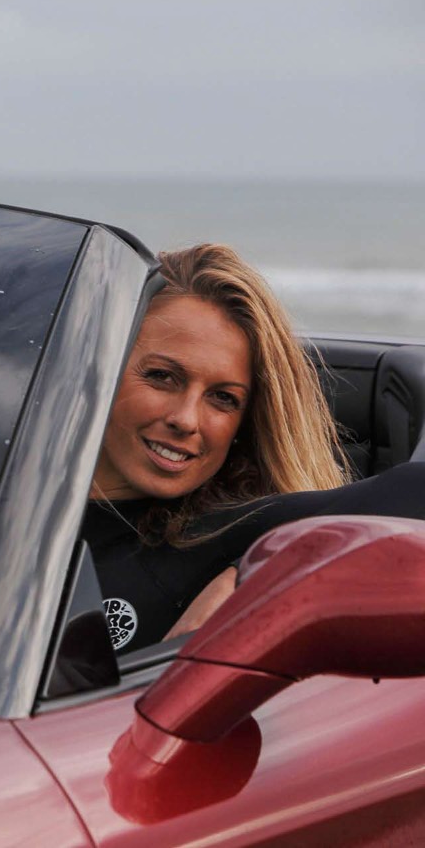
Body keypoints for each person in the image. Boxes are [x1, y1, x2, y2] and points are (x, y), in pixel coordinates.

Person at [84, 242, 362, 654]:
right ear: (100, 366)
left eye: (223, 398)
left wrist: (249, 571)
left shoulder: (237, 531)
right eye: (162, 376)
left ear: (243, 425)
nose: (187, 419)